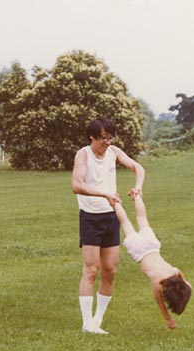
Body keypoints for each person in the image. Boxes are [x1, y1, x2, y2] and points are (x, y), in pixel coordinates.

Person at [71, 117, 145, 334]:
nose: (107, 142)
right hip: (90, 218)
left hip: (111, 217)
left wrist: (138, 187)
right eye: (103, 138)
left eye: (110, 138)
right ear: (92, 137)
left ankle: (97, 321)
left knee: (110, 270)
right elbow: (76, 185)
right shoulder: (83, 154)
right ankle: (86, 324)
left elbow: (137, 168)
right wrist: (103, 194)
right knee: (91, 270)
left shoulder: (113, 152)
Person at [113, 193, 192, 329]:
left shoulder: (173, 272)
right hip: (139, 251)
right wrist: (168, 320)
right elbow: (160, 303)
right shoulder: (157, 283)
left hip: (152, 245)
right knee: (125, 223)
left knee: (142, 218)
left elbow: (179, 272)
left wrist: (185, 282)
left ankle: (136, 196)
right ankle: (115, 201)